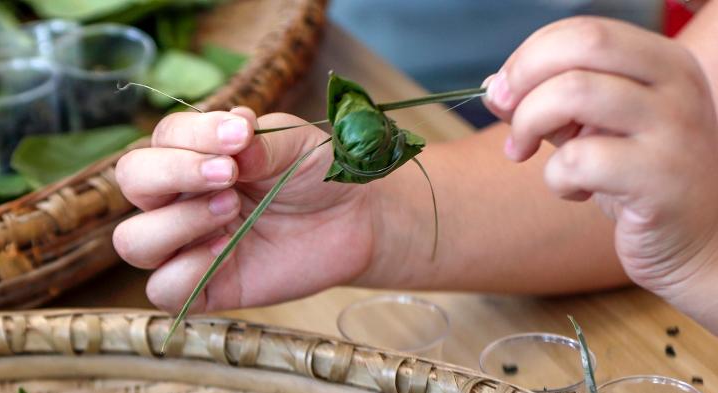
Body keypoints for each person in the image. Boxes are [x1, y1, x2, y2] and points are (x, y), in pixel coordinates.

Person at [110, 7, 718, 334]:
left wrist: (700, 256)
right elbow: (637, 188)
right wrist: (373, 213)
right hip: (354, 67)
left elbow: (674, 170)